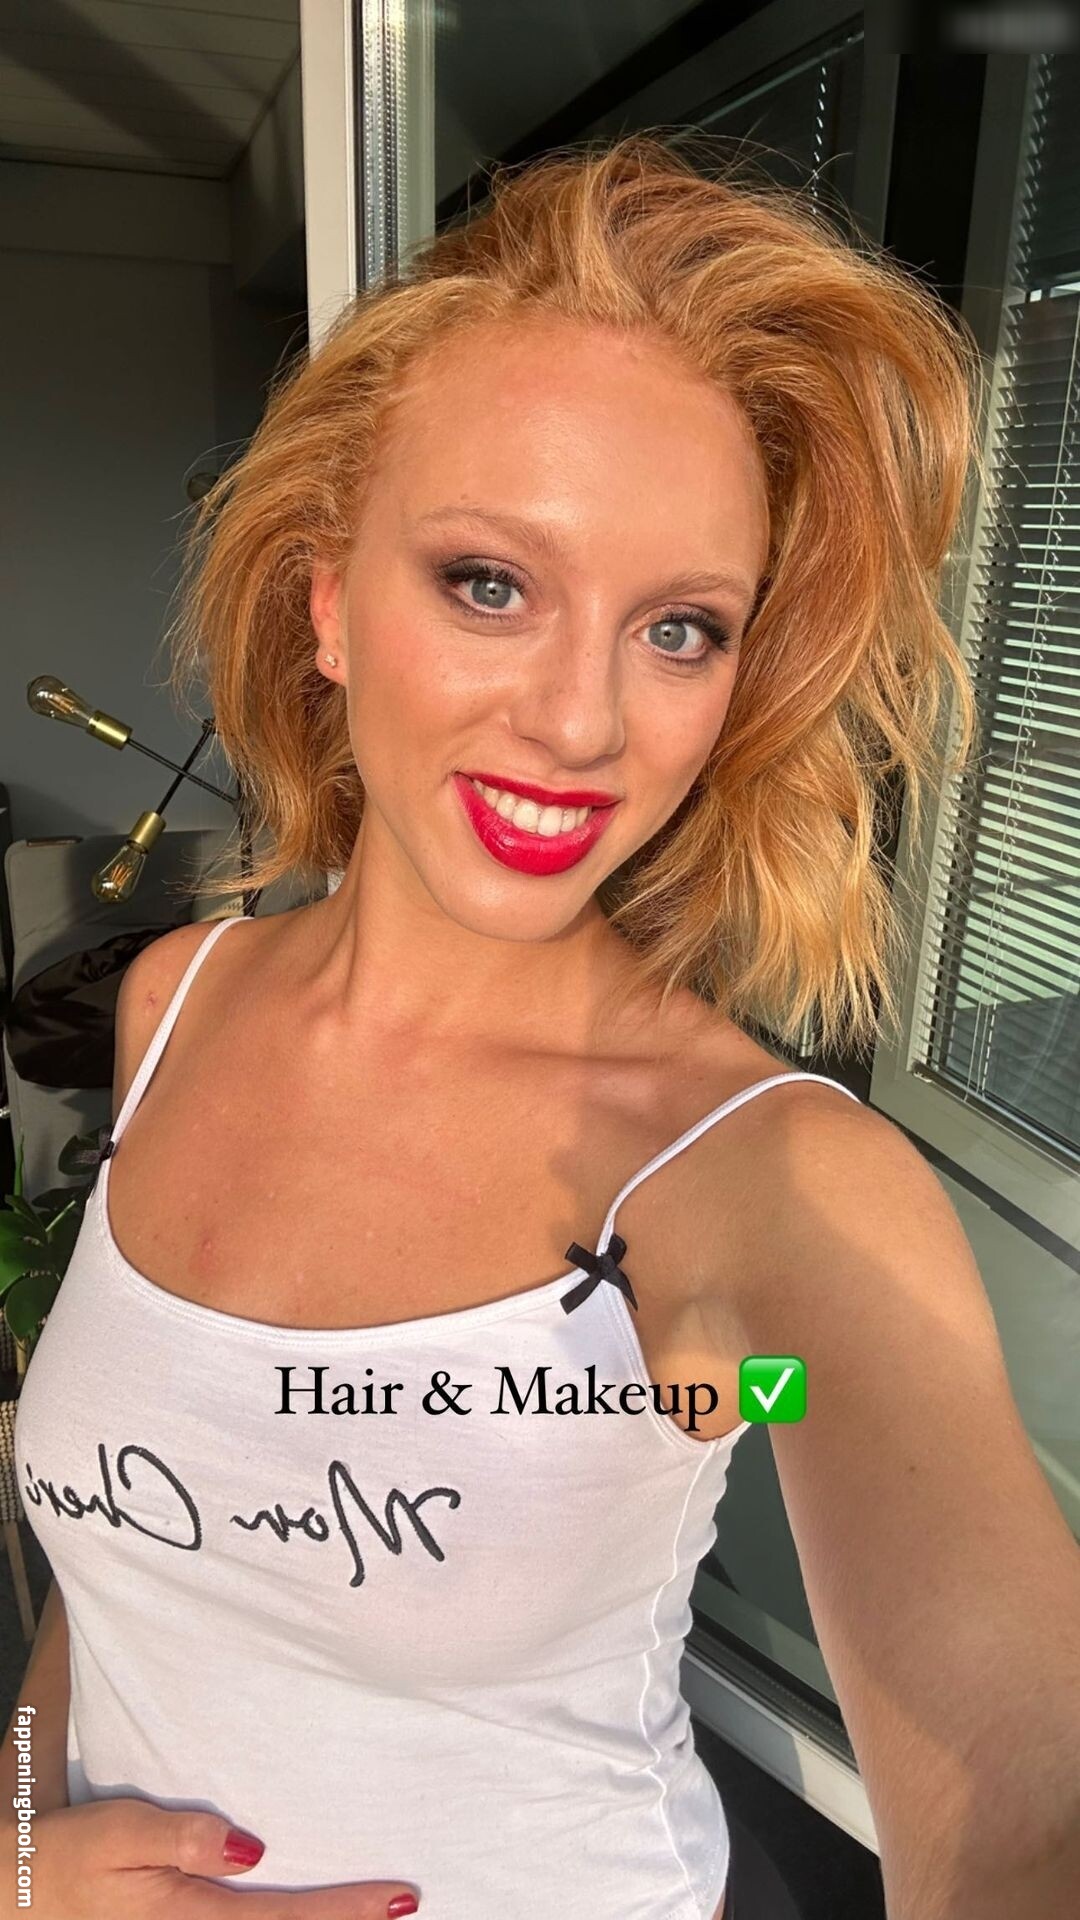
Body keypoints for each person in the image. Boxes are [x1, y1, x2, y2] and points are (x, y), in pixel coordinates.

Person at [4, 133, 1079, 1920]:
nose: (584, 722)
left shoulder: (765, 1182)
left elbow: (1023, 1814)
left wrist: (721, 1395)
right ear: (328, 603)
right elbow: (124, 1548)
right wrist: (25, 1857)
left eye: (682, 629)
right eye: (491, 584)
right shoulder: (172, 1005)